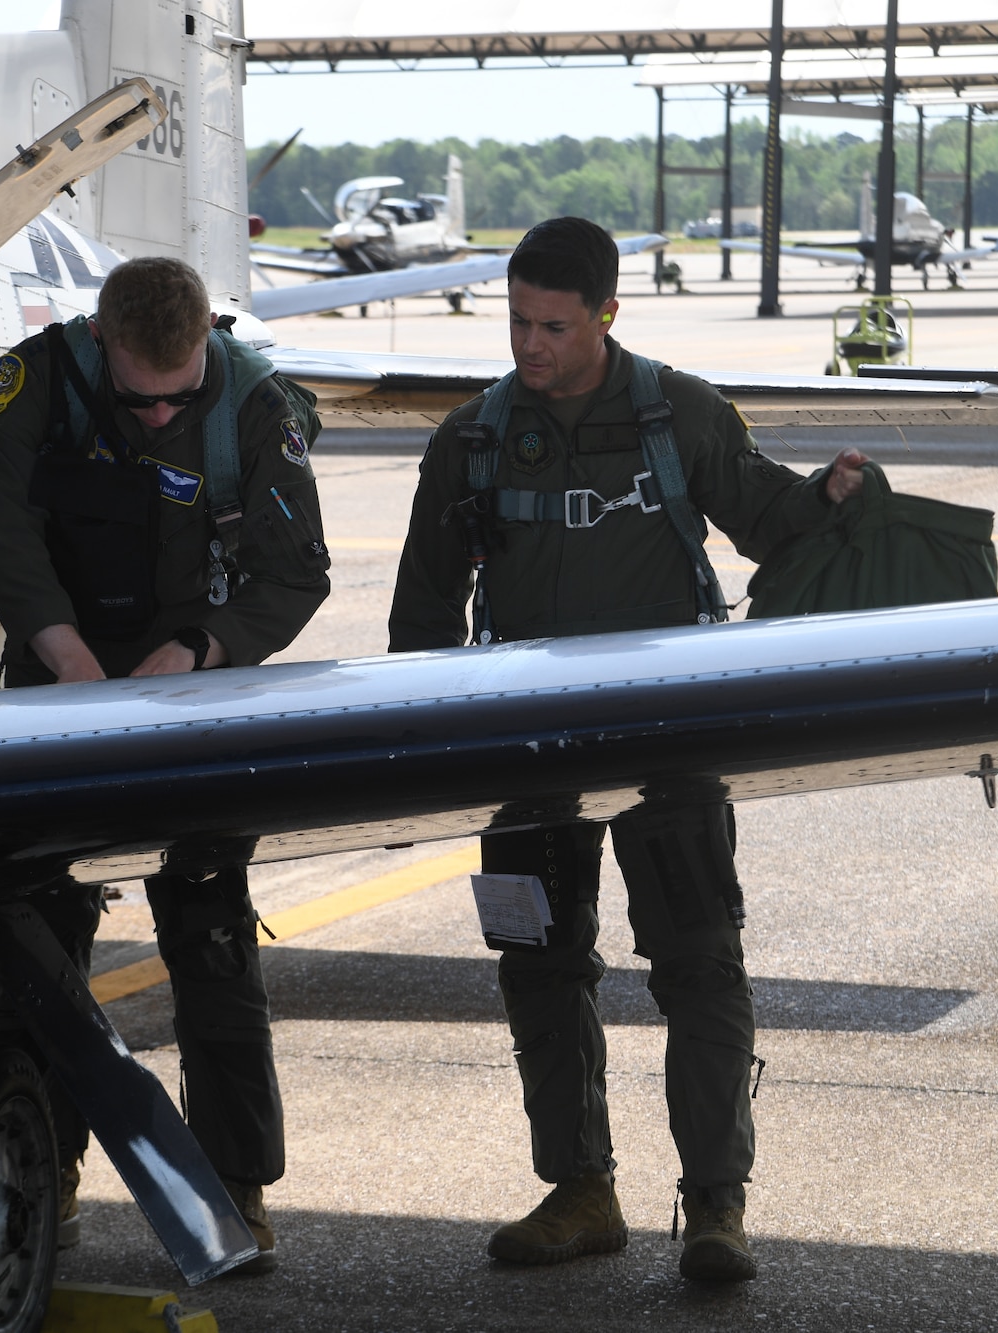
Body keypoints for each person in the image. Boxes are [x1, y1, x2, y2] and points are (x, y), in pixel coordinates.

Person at [386, 217, 868, 1282]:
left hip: (665, 735)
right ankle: (579, 1189)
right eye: (516, 322)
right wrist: (416, 760)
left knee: (697, 964)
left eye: (553, 325)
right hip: (522, 746)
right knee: (537, 966)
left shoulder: (678, 413)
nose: (529, 346)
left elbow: (764, 517)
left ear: (606, 313)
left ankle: (713, 1206)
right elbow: (421, 616)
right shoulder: (468, 438)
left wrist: (824, 501)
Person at [0, 256, 332, 1274]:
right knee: (38, 950)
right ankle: (36, 1176)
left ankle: (233, 1189)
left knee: (212, 944)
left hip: (194, 699)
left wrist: (202, 650)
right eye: (142, 400)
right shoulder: (29, 389)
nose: (165, 417)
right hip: (58, 690)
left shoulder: (255, 405)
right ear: (99, 342)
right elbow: (7, 543)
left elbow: (294, 571)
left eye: (184, 398)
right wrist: (74, 667)